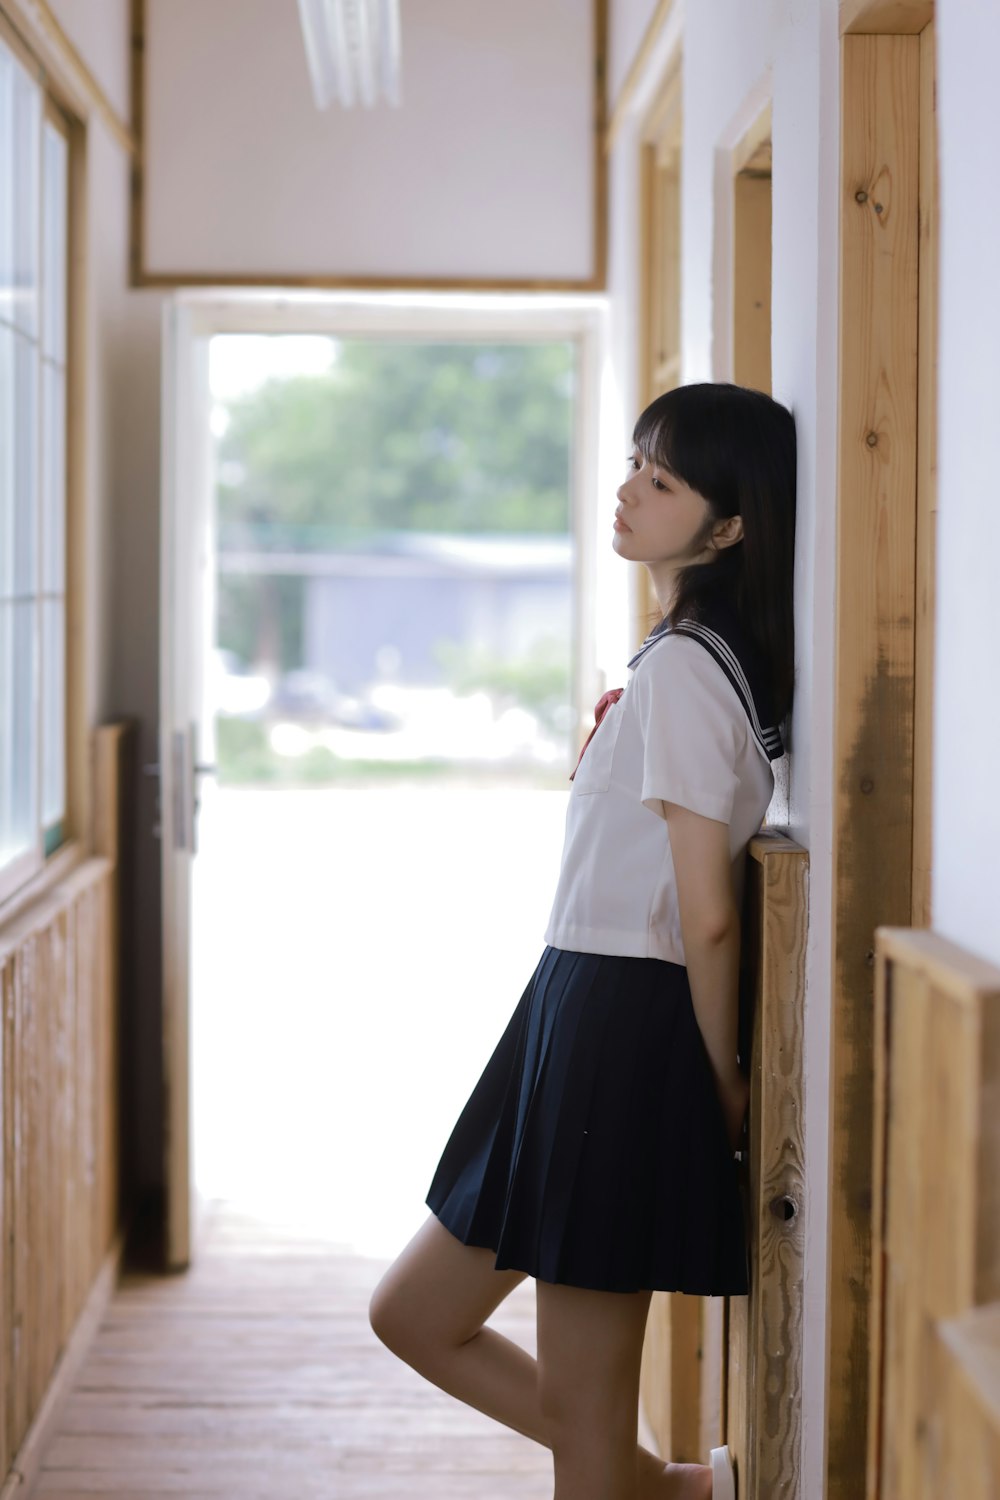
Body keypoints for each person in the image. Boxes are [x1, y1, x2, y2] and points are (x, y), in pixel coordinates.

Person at [368, 382, 796, 1500]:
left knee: (587, 1418)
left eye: (661, 481)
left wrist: (719, 1079)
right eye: (634, 466)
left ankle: (644, 1485)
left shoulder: (695, 670)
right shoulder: (677, 660)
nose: (627, 492)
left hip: (626, 1023)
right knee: (414, 1315)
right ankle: (672, 1490)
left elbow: (706, 912)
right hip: (572, 1008)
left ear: (730, 525)